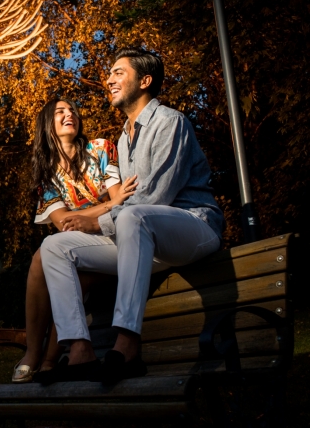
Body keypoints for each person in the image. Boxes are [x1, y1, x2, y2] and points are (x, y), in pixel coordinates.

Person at [35, 47, 224, 385]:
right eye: (110, 73)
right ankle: (79, 351)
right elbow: (130, 203)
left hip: (193, 227)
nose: (109, 79)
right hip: (144, 239)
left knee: (131, 217)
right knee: (55, 246)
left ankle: (127, 346)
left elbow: (155, 197)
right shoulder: (124, 138)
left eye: (119, 72)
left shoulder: (169, 122)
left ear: (145, 80)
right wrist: (107, 217)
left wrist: (96, 222)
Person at [12, 98, 137, 383]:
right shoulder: (47, 175)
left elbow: (120, 201)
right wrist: (106, 204)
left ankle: (38, 357)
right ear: (47, 124)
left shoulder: (101, 149)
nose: (70, 114)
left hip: (114, 238)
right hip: (78, 251)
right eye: (60, 112)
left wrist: (99, 210)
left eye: (72, 111)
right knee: (62, 270)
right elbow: (63, 222)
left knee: (43, 256)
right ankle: (43, 358)